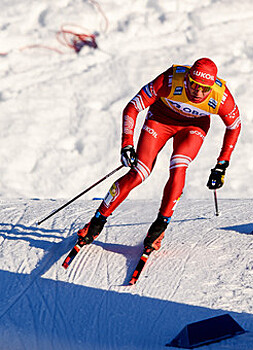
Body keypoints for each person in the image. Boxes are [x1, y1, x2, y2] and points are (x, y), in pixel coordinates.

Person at [76, 57, 241, 253]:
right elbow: (133, 107)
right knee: (139, 173)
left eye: (205, 89)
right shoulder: (170, 80)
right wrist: (127, 143)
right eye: (194, 85)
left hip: (193, 127)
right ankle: (97, 222)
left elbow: (234, 126)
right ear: (187, 78)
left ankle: (159, 228)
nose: (198, 92)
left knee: (179, 166)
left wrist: (222, 164)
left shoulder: (221, 97)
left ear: (212, 86)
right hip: (160, 120)